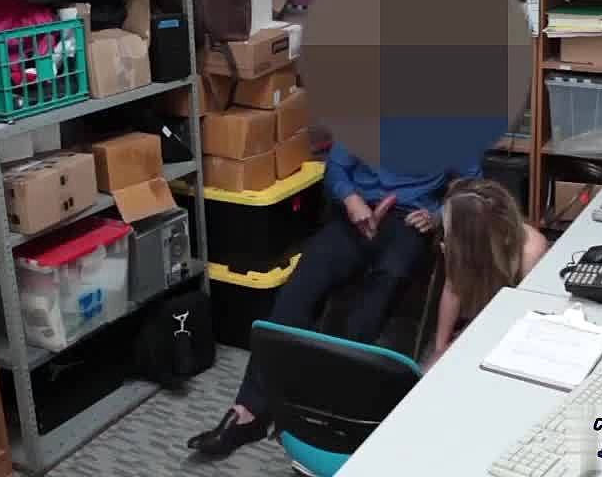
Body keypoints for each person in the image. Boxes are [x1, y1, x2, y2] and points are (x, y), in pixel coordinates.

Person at [187, 143, 481, 457]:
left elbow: (472, 186)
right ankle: (249, 410)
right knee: (300, 287)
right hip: (356, 212)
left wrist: (437, 217)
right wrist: (350, 198)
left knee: (377, 295)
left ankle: (317, 406)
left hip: (408, 220)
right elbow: (336, 168)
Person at [428, 178, 549, 366]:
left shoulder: (531, 253)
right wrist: (440, 349)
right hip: (480, 318)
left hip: (513, 327)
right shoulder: (458, 244)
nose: (446, 234)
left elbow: (523, 321)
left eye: (450, 227)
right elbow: (452, 288)